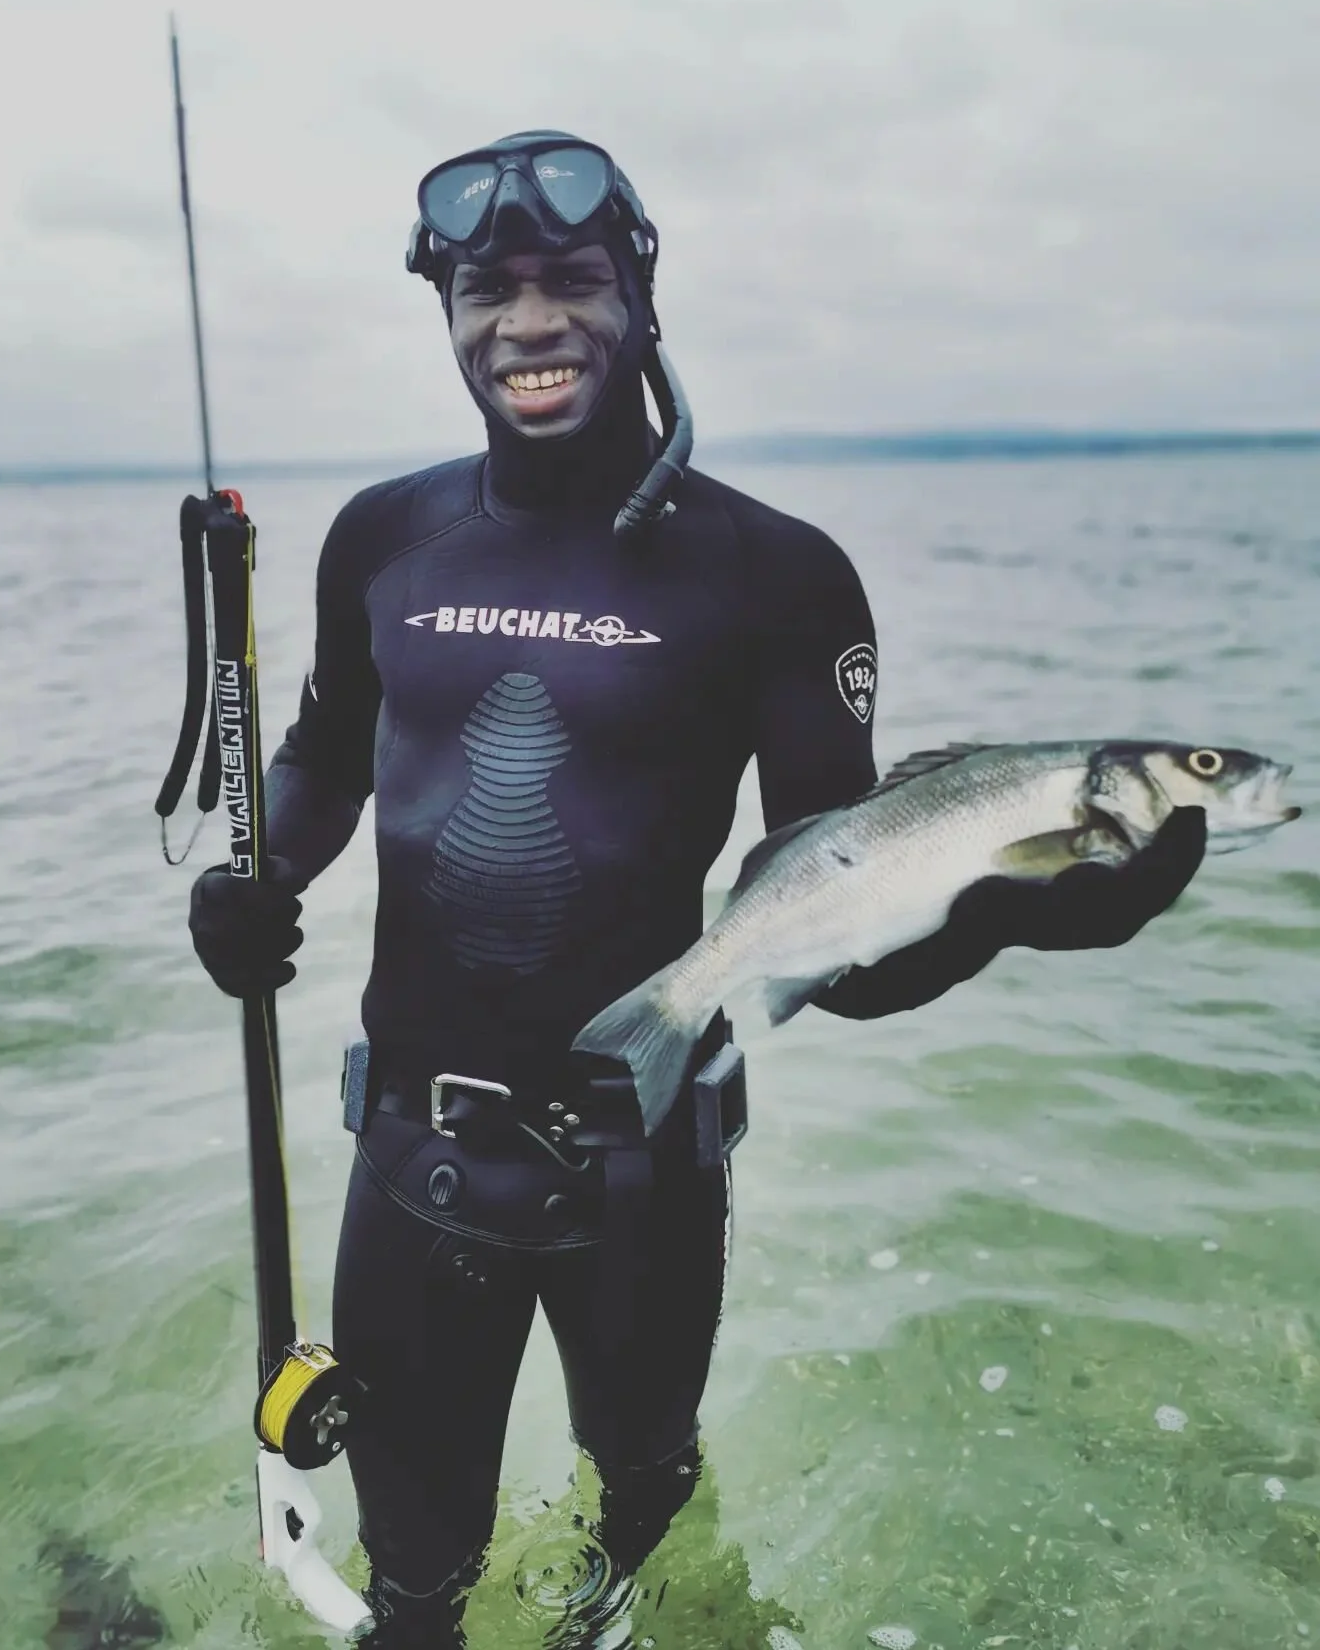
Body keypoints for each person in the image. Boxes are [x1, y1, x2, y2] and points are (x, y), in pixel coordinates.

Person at [188, 131, 1206, 1645]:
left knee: (648, 1522)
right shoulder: (384, 539)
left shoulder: (777, 574)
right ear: (445, 311)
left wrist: (1012, 908)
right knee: (414, 1586)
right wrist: (254, 872)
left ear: (642, 293)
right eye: (487, 290)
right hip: (412, 1154)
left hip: (646, 1168)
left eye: (572, 280)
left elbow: (833, 940)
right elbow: (324, 761)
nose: (529, 323)